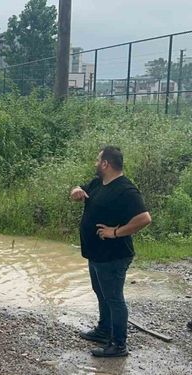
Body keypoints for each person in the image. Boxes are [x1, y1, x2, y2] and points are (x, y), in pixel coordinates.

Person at [70, 146, 152, 357]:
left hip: (114, 256)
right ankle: (104, 330)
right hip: (96, 254)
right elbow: (78, 190)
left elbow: (144, 218)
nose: (95, 163)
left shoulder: (126, 189)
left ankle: (118, 345)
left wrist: (116, 232)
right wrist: (76, 191)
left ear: (106, 163)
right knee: (101, 293)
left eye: (98, 160)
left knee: (114, 298)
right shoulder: (98, 182)